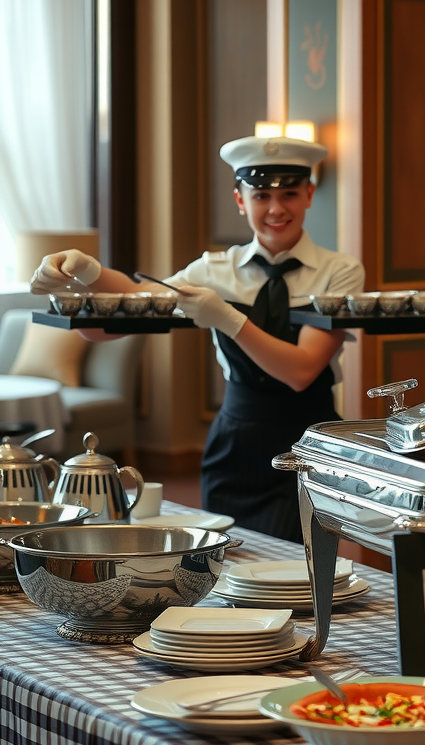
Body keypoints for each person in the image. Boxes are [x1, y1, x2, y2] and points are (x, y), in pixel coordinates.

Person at [29, 136, 364, 543]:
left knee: (301, 561)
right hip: (234, 441)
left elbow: (301, 371)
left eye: (289, 194)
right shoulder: (214, 269)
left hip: (309, 442)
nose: (276, 209)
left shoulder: (340, 271)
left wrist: (227, 318)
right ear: (240, 200)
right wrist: (87, 271)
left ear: (309, 194)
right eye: (261, 196)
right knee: (223, 557)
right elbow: (135, 302)